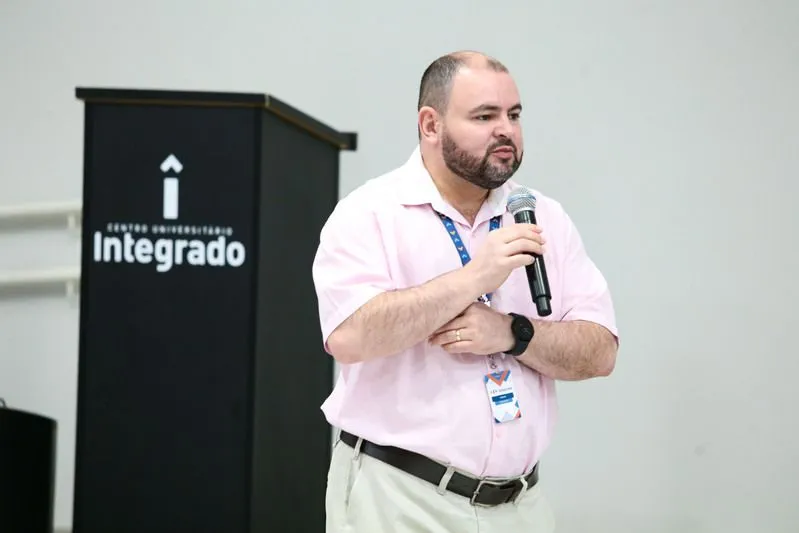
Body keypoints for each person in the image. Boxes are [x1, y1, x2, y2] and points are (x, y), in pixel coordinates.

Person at [311, 50, 619, 533]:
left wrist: (513, 333)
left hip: (520, 505)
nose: (506, 130)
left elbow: (600, 352)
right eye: (485, 116)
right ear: (430, 125)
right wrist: (474, 278)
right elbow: (350, 336)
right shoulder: (370, 213)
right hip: (398, 499)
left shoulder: (543, 217)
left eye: (514, 115)